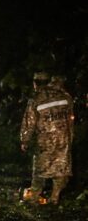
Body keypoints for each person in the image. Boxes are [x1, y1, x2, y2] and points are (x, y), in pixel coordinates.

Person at [20, 72, 74, 205]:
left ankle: (34, 196)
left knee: (40, 168)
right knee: (60, 167)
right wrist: (70, 138)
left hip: (45, 140)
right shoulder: (65, 96)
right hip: (63, 138)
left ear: (35, 83)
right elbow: (71, 120)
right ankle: (55, 196)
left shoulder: (36, 99)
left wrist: (24, 140)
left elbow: (29, 123)